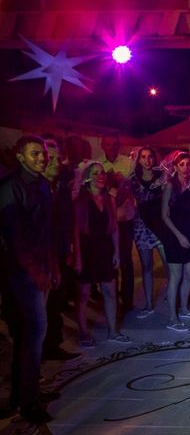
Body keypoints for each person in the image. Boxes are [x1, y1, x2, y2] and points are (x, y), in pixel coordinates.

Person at [0, 135, 60, 424]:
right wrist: (36, 272)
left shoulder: (41, 184)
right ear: (21, 157)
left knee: (32, 335)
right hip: (22, 272)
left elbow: (45, 232)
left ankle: (26, 393)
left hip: (41, 267)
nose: (42, 158)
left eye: (44, 153)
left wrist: (53, 266)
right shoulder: (10, 188)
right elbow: (15, 240)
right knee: (33, 333)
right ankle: (27, 402)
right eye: (35, 153)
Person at [73, 161, 131, 348]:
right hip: (87, 248)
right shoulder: (81, 199)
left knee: (110, 291)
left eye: (102, 173)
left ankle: (112, 331)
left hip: (105, 248)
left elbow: (114, 228)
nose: (100, 176)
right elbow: (75, 231)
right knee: (83, 294)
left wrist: (116, 252)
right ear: (88, 177)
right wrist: (78, 257)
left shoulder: (109, 199)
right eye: (96, 173)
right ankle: (83, 333)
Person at [41, 138, 81, 361]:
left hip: (60, 253)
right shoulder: (33, 188)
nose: (57, 162)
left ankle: (52, 346)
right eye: (52, 158)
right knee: (38, 310)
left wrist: (71, 250)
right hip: (40, 258)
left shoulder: (61, 189)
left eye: (58, 158)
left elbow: (68, 220)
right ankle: (39, 354)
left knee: (56, 303)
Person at [160, 151, 190, 331]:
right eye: (181, 164)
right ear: (175, 167)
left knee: (188, 274)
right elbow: (164, 215)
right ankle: (172, 318)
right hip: (173, 235)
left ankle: (185, 309)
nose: (185, 168)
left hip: (188, 234)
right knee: (175, 276)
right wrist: (178, 236)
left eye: (188, 164)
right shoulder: (170, 186)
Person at [129, 146, 169, 319]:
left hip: (159, 224)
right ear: (138, 160)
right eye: (143, 157)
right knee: (146, 266)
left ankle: (171, 294)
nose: (147, 160)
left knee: (169, 264)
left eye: (150, 156)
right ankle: (149, 304)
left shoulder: (162, 177)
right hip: (141, 226)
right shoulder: (133, 179)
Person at [99, 134, 136, 313]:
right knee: (108, 259)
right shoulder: (97, 165)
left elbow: (130, 190)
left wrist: (122, 184)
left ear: (119, 145)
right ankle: (110, 299)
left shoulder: (128, 164)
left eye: (114, 144)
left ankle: (127, 301)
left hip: (125, 219)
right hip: (106, 220)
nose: (111, 148)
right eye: (108, 144)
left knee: (126, 261)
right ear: (102, 145)